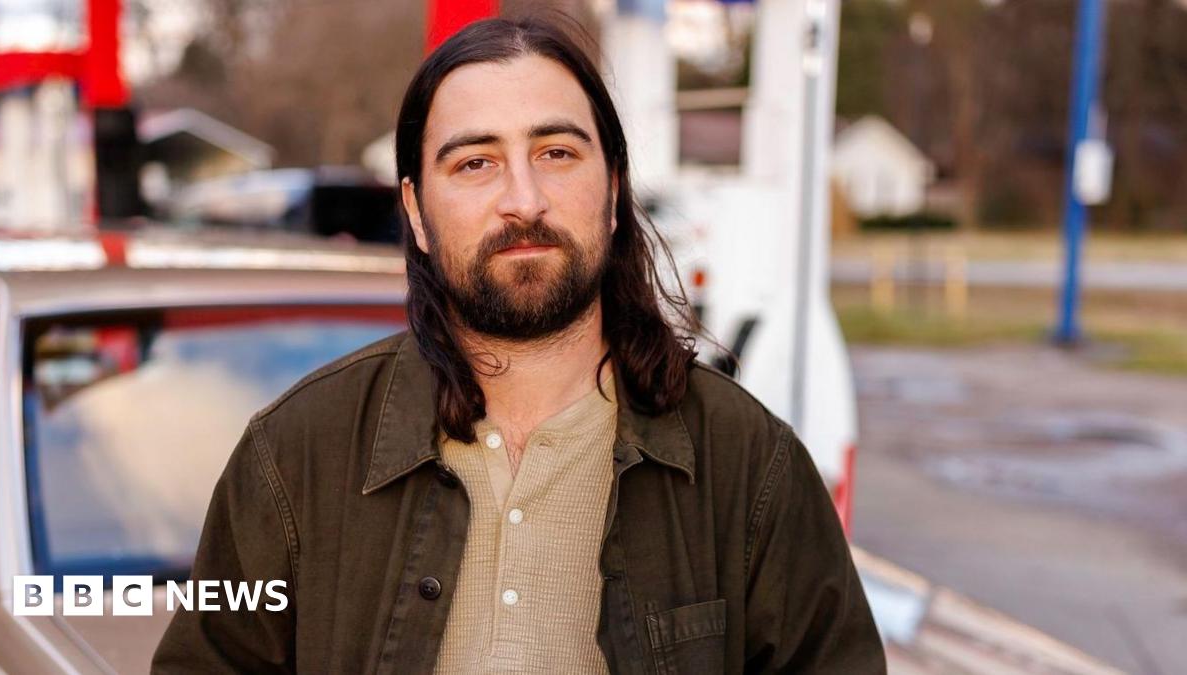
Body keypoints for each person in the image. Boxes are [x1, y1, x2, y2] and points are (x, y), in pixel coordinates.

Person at [152, 17, 885, 674]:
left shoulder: (749, 466)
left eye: (558, 152)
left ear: (613, 187)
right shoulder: (295, 456)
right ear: (416, 210)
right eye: (476, 162)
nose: (524, 198)